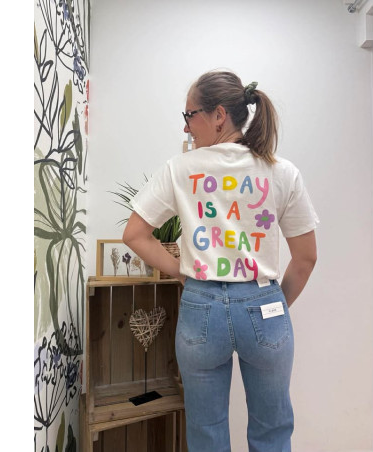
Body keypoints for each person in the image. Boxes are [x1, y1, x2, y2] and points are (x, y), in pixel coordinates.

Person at [123, 70, 319, 452]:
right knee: (272, 431)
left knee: (205, 432)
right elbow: (306, 258)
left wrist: (183, 273)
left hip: (201, 307)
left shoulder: (180, 168)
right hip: (264, 304)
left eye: (189, 115)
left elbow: (134, 234)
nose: (186, 127)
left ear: (218, 115)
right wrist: (272, 305)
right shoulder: (281, 171)